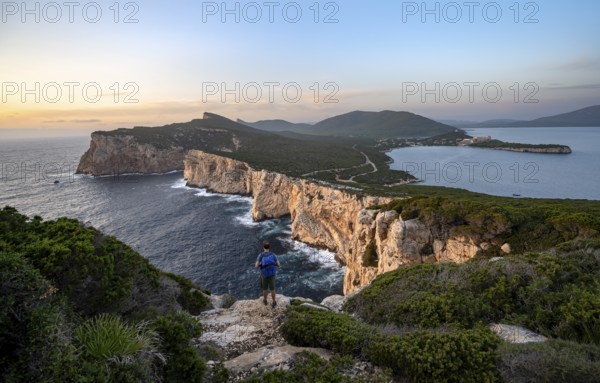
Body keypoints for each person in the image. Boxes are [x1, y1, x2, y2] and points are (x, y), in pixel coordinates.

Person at [255, 240, 281, 308]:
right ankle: (274, 302)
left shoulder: (261, 255)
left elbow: (256, 266)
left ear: (263, 247)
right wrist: (272, 263)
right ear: (269, 247)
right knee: (273, 289)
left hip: (264, 274)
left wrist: (262, 264)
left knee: (265, 289)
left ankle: (265, 300)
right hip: (272, 274)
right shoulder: (273, 254)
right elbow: (278, 264)